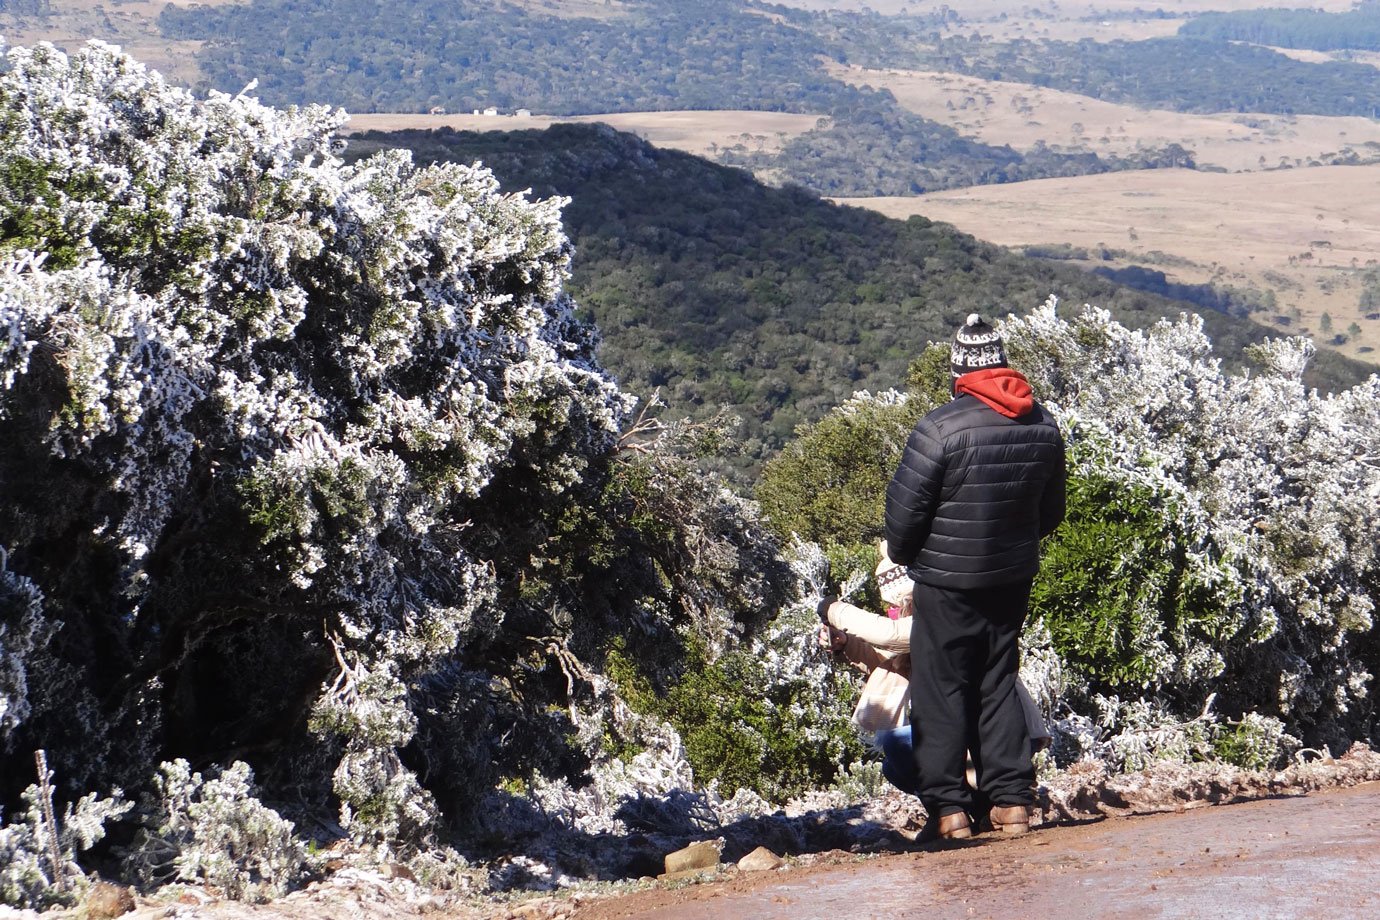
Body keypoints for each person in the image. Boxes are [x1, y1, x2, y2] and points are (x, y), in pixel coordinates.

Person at [884, 313, 1066, 841]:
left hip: (946, 582)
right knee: (998, 679)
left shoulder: (939, 428)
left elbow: (902, 520)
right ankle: (1011, 802)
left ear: (959, 370)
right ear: (1001, 364)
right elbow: (1050, 512)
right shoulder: (1043, 424)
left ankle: (949, 811)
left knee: (941, 688)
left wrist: (916, 556)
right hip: (1011, 579)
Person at [819, 542, 1050, 805]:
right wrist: (846, 644)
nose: (892, 613)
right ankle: (977, 811)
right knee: (893, 766)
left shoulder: (941, 615)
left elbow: (891, 635)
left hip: (993, 733)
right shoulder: (938, 615)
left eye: (896, 606)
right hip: (989, 732)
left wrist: (833, 610)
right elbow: (887, 661)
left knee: (898, 745)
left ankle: (959, 809)